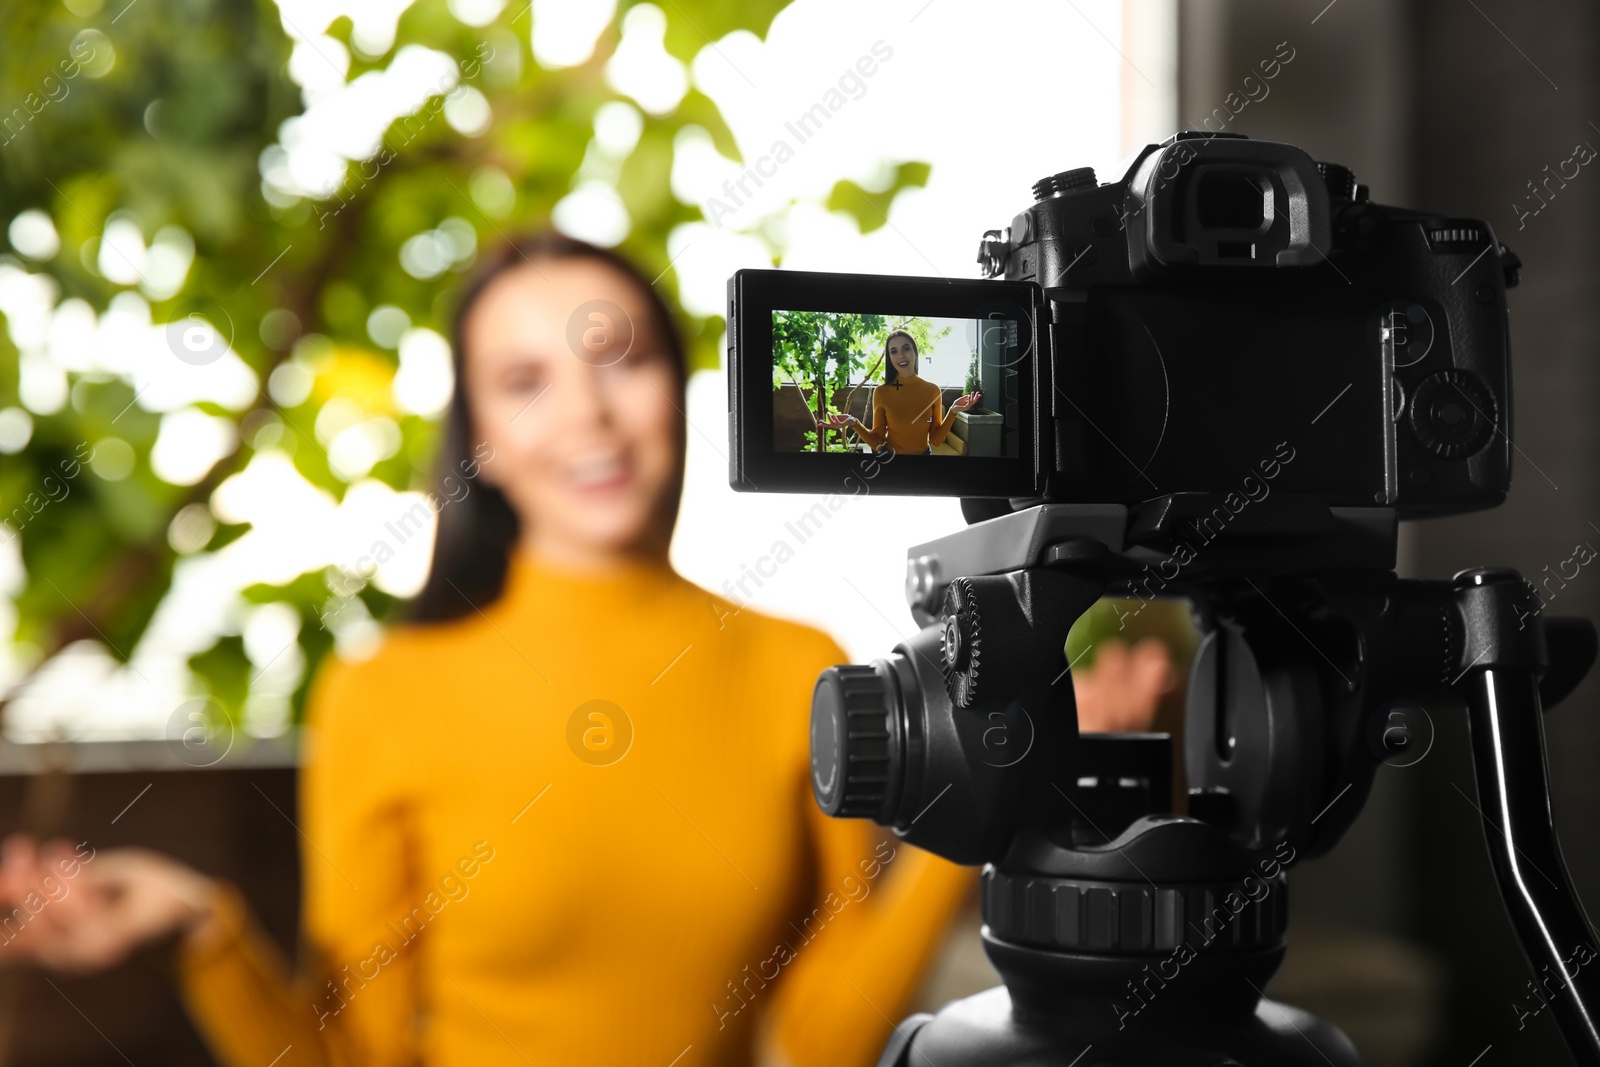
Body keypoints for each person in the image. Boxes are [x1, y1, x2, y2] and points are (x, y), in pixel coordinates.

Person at [0, 232, 978, 1067]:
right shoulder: (385, 693)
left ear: (677, 391)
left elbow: (821, 1038)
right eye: (525, 381)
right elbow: (353, 1056)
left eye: (622, 359)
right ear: (485, 440)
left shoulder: (795, 662)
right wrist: (203, 928)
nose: (588, 413)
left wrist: (979, 810)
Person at [818, 330, 981, 455]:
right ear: (889, 358)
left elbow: (936, 440)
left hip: (923, 460)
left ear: (915, 353)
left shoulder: (932, 390)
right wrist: (853, 422)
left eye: (906, 349)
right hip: (890, 460)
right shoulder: (881, 392)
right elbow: (877, 442)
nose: (901, 356)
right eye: (894, 351)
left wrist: (952, 411)